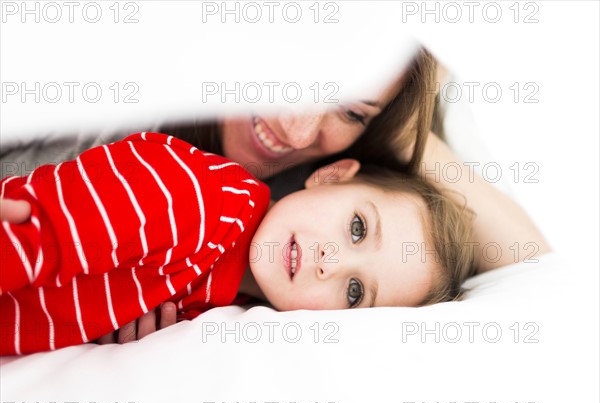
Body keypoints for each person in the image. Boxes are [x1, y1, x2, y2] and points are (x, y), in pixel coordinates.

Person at [0, 47, 551, 344]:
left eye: (351, 111)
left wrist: (399, 120)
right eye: (301, 71)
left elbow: (529, 266)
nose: (297, 127)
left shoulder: (287, 233)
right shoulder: (199, 192)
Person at [0, 131, 475, 355]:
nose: (331, 261)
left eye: (355, 293)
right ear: (331, 176)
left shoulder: (226, 302)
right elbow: (37, 240)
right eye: (357, 228)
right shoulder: (200, 201)